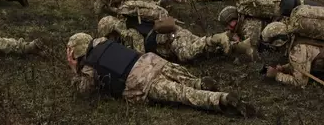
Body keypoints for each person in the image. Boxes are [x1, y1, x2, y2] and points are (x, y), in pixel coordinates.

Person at [66, 32, 255, 117]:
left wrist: (75, 69)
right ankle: (199, 82)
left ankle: (220, 99)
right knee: (186, 80)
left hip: (143, 81)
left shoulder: (89, 67)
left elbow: (85, 91)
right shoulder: (103, 41)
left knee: (183, 94)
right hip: (153, 61)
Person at [96, 15, 254, 63]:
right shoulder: (133, 26)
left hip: (172, 40)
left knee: (188, 53)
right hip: (176, 34)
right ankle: (241, 47)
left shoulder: (130, 33)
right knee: (205, 52)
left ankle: (216, 38)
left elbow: (140, 55)